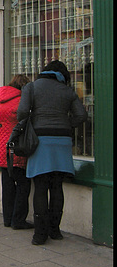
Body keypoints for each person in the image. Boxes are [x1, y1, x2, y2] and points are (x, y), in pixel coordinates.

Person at [17, 60, 88, 245]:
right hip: (63, 142)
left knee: (40, 186)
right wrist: (65, 124)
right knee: (57, 186)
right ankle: (55, 231)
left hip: (41, 141)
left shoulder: (31, 87)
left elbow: (22, 112)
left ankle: (40, 235)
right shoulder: (67, 91)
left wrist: (34, 123)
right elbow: (81, 115)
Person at [0, 74, 32, 229]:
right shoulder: (21, 102)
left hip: (1, 147)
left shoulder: (0, 100)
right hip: (16, 147)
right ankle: (18, 220)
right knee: (23, 184)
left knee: (7, 185)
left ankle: (7, 219)